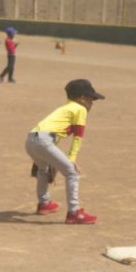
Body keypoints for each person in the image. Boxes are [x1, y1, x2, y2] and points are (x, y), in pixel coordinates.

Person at [24, 79, 105, 224]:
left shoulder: (64, 108)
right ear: (81, 98)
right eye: (90, 98)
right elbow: (78, 137)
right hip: (44, 141)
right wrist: (71, 159)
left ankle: (44, 204)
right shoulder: (80, 109)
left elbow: (53, 133)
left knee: (43, 170)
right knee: (71, 172)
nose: (92, 103)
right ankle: (74, 213)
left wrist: (49, 158)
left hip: (31, 139)